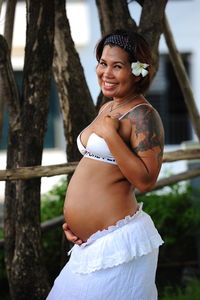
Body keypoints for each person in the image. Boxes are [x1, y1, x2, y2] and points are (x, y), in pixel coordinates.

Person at [46, 29, 164, 300]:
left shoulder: (144, 115)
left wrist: (110, 135)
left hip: (119, 245)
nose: (106, 73)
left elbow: (146, 181)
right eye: (103, 63)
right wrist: (78, 222)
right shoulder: (107, 107)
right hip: (89, 244)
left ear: (137, 72)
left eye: (117, 66)